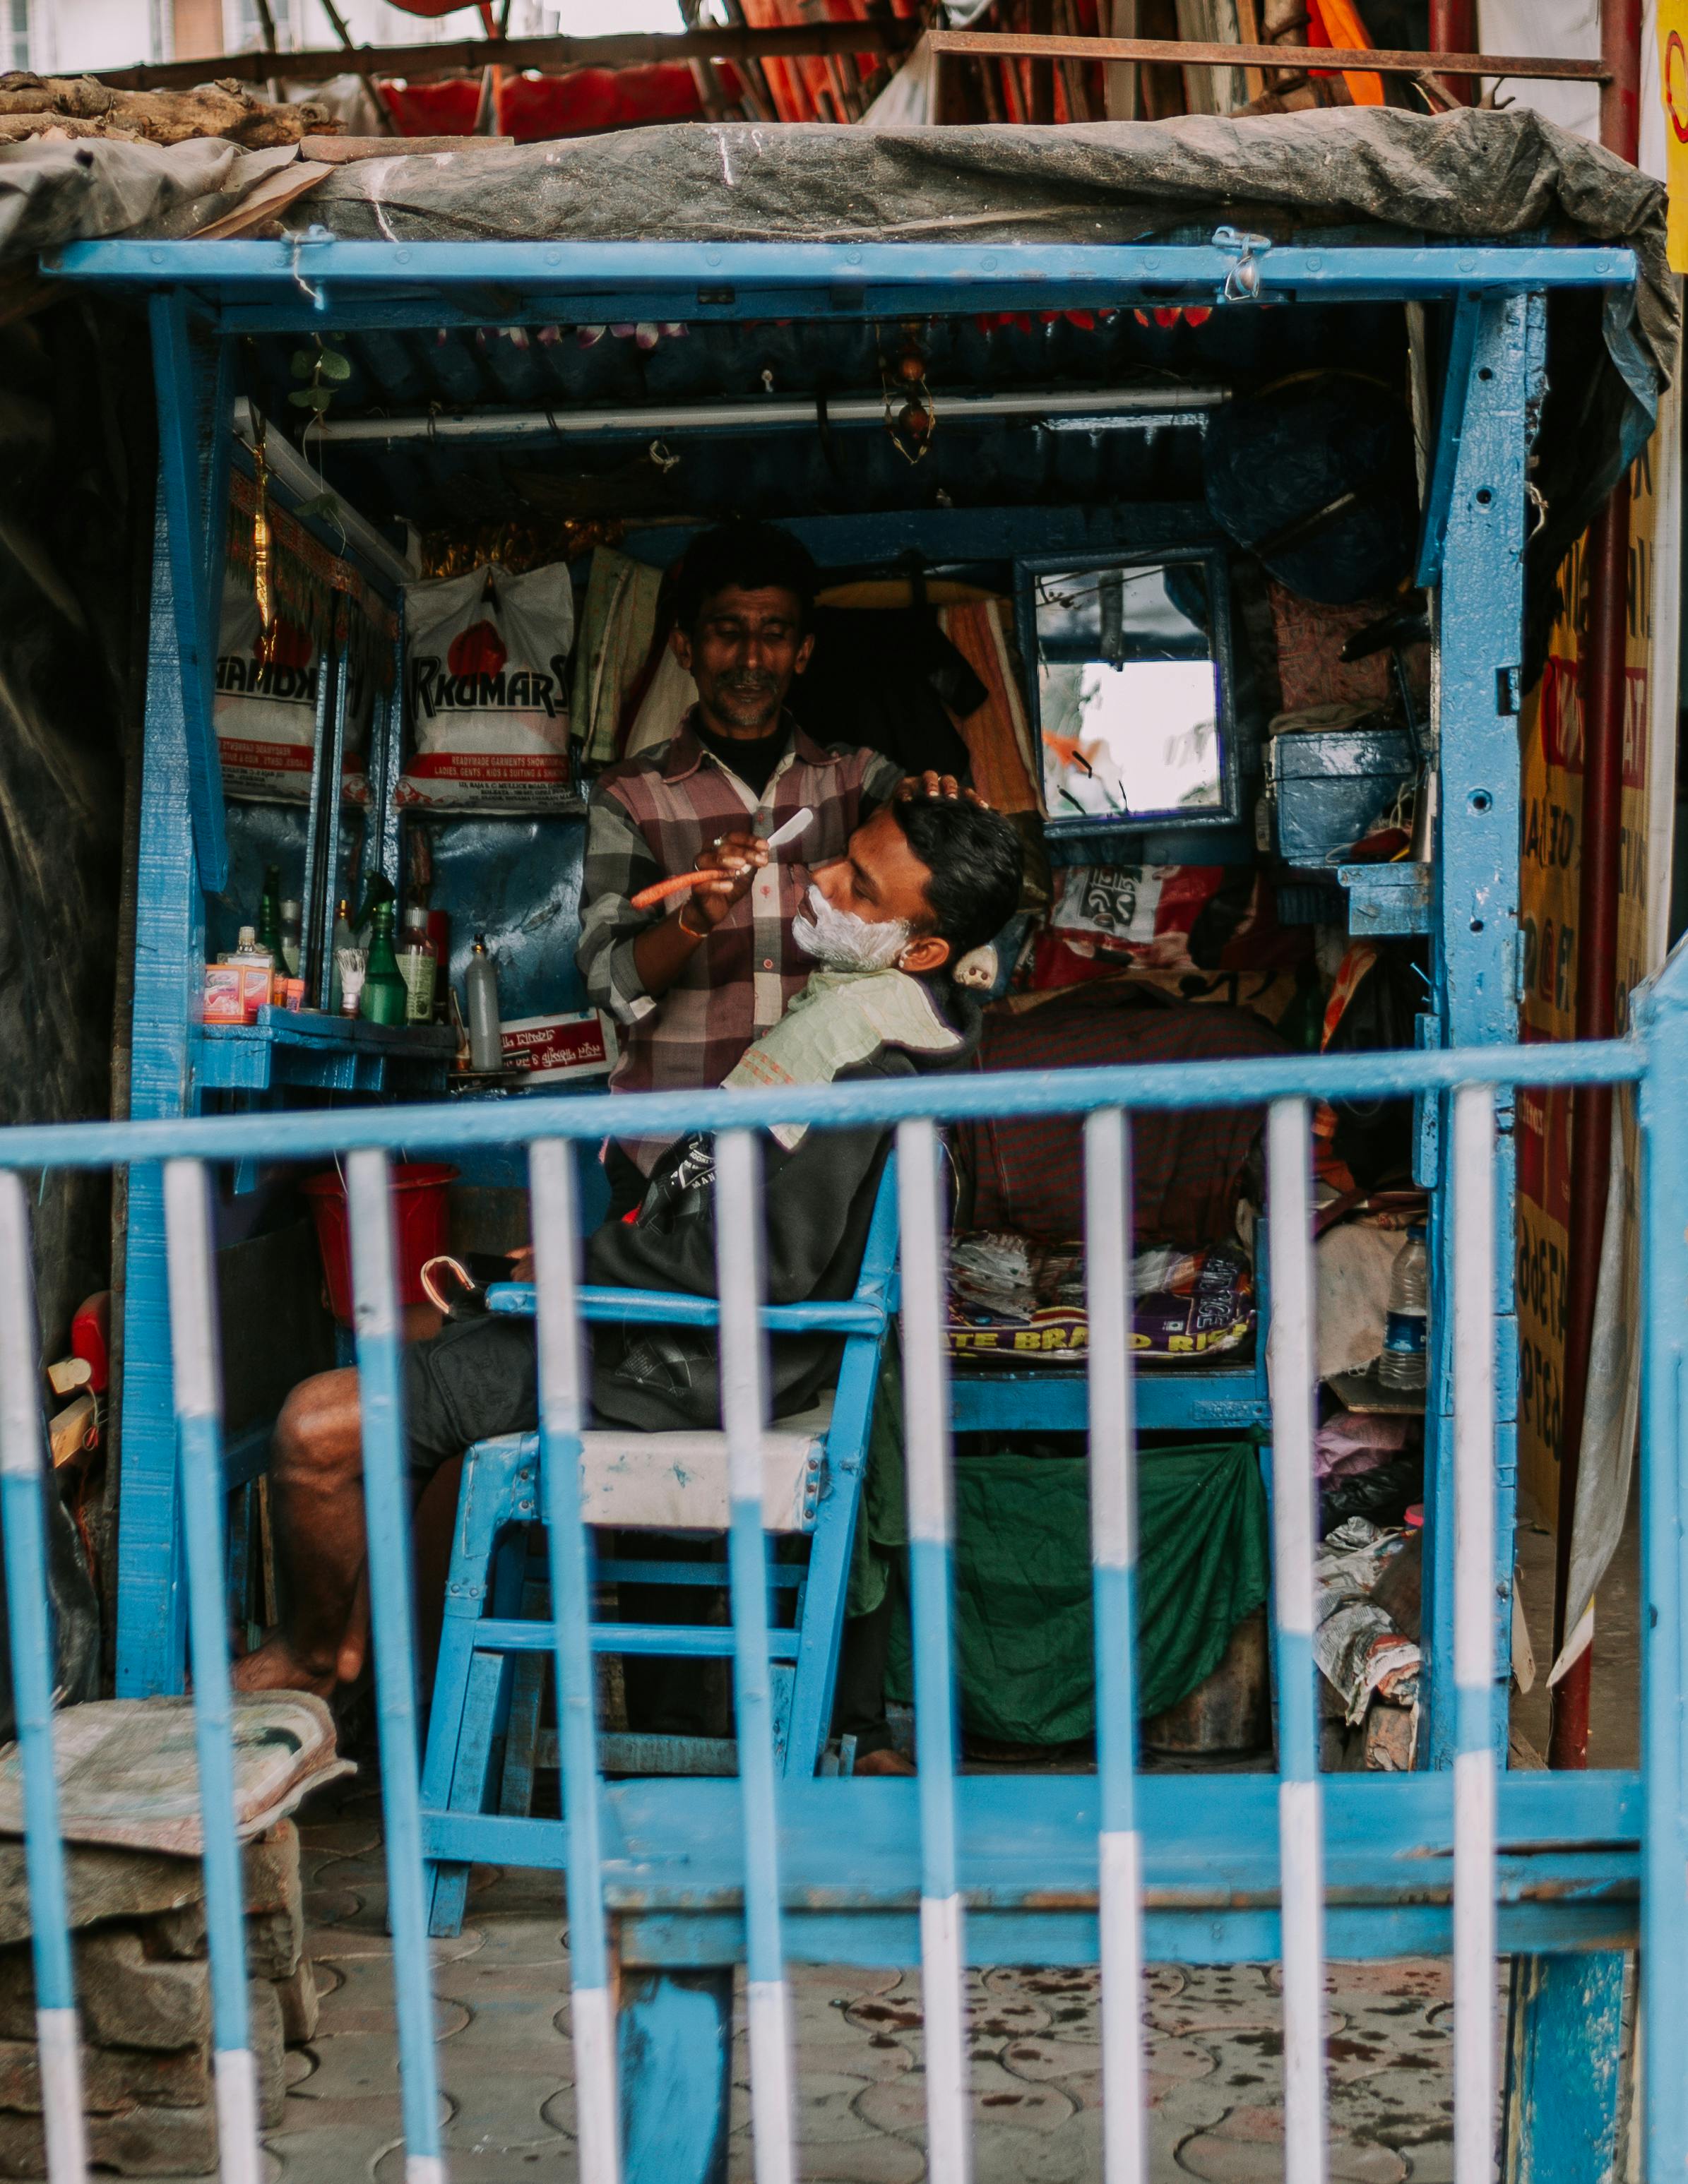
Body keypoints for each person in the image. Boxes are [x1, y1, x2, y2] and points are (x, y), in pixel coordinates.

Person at [232, 796, 1025, 1734]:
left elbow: (760, 1265)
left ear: (923, 950)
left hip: (678, 1354)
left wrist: (579, 1268)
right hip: (665, 1319)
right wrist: (569, 1263)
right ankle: (367, 1668)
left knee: (313, 1426)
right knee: (407, 1342)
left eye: (859, 884)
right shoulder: (882, 1022)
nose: (821, 882)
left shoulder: (873, 1067)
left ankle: (316, 1661)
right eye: (839, 860)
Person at [577, 519, 908, 1203]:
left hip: (818, 1163)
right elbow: (608, 983)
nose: (751, 658)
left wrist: (930, 803)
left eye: (774, 634)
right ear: (684, 647)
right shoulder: (630, 798)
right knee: (658, 1312)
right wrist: (695, 917)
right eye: (726, 630)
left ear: (803, 651)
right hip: (664, 1156)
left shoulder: (857, 780)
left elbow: (934, 868)